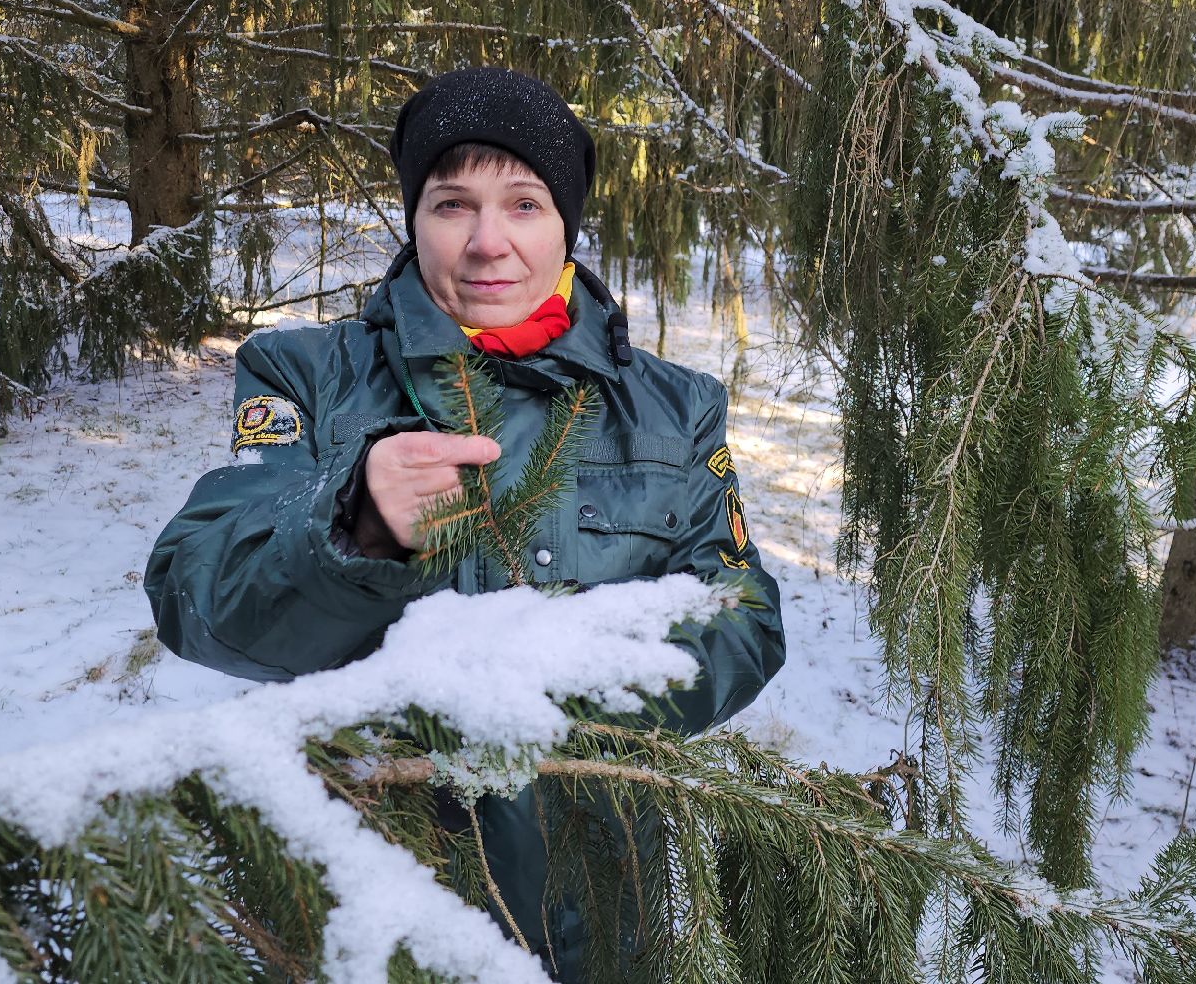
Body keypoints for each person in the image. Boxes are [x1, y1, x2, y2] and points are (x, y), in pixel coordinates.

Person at [144, 66, 786, 979]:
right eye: (453, 204)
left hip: (601, 910)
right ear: (414, 217)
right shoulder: (303, 376)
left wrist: (553, 688)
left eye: (524, 204)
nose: (489, 244)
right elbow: (197, 600)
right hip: (371, 909)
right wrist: (356, 528)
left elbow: (744, 617)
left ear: (566, 224)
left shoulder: (675, 408)